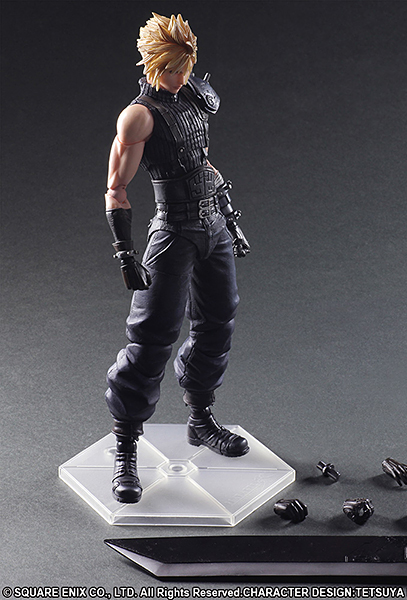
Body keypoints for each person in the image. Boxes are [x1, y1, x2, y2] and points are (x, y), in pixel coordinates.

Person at [104, 13, 250, 504]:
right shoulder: (138, 116)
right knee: (152, 337)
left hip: (212, 225)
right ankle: (126, 446)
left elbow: (202, 161)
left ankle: (200, 419)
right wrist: (125, 253)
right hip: (173, 232)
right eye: (171, 69)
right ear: (153, 65)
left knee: (218, 321)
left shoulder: (193, 96)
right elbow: (116, 189)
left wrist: (226, 213)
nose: (181, 76)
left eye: (186, 66)